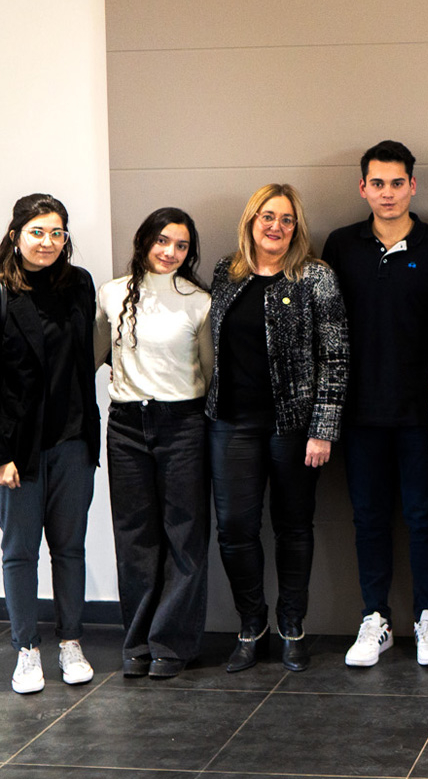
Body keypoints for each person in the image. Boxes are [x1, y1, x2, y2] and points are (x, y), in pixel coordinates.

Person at [322, 140, 428, 669]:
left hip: (425, 415)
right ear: (363, 188)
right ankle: (374, 618)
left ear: (413, 185)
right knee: (369, 518)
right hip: (360, 415)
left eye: (396, 182)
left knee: (426, 518)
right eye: (376, 183)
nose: (387, 193)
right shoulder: (340, 246)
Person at [206, 183, 348, 673]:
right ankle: (252, 626)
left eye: (287, 219)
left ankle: (292, 626)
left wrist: (323, 428)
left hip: (294, 428)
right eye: (268, 216)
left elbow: (336, 355)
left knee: (293, 529)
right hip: (231, 425)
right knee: (235, 530)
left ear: (297, 227)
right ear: (251, 220)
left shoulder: (314, 277)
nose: (276, 226)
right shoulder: (227, 272)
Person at [95, 208, 215, 679]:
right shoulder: (111, 293)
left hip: (183, 423)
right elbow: (96, 355)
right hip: (125, 424)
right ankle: (137, 643)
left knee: (185, 535)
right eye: (163, 241)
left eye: (181, 245)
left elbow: (209, 372)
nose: (170, 252)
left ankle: (173, 643)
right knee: (134, 535)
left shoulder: (198, 302)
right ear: (144, 240)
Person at [0, 194, 101, 694]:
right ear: (17, 234)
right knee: (19, 553)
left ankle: (71, 642)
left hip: (72, 440)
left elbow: (88, 357)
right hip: (18, 449)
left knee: (70, 549)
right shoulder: (0, 290)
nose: (48, 242)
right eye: (38, 231)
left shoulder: (79, 284)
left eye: (57, 233)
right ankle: (25, 650)